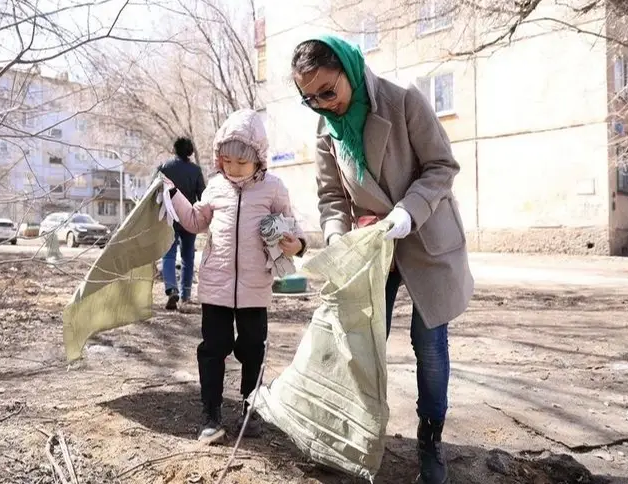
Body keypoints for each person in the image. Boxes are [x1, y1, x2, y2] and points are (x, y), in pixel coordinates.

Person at [291, 35, 474, 484]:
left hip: (427, 236)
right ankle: (353, 435)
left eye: (327, 92)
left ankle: (430, 442)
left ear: (350, 72)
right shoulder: (325, 129)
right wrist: (338, 237)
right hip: (373, 249)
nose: (321, 104)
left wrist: (406, 213)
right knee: (358, 345)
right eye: (308, 98)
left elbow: (441, 166)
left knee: (429, 346)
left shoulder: (404, 101)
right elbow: (333, 197)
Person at [163, 109, 307, 444]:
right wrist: (173, 196)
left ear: (258, 160)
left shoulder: (274, 189)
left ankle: (250, 409)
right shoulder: (214, 187)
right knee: (213, 349)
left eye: (240, 164)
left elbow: (294, 231)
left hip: (255, 289)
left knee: (252, 349)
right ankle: (211, 414)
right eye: (226, 161)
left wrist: (295, 244)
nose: (232, 169)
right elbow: (197, 222)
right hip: (215, 286)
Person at [158, 137, 206, 311]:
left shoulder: (164, 168)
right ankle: (185, 295)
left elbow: (154, 193)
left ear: (175, 150)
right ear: (190, 152)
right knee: (188, 257)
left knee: (169, 255)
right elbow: (203, 196)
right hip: (188, 219)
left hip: (169, 218)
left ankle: (171, 289)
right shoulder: (195, 170)